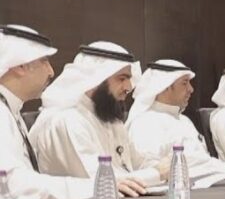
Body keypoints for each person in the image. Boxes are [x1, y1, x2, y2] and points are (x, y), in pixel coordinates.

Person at [0, 26, 145, 199]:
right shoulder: (65, 120)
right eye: (44, 61)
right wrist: (156, 174)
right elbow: (13, 184)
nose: (51, 72)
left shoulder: (11, 111)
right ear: (20, 65)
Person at [29, 42, 168, 186]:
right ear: (95, 78)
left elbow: (134, 161)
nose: (128, 87)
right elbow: (101, 182)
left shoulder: (109, 116)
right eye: (122, 79)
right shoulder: (66, 120)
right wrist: (156, 173)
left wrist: (164, 165)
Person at [126, 59, 225, 177]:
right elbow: (151, 169)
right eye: (184, 83)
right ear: (165, 86)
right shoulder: (144, 123)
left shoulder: (185, 121)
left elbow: (204, 160)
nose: (191, 89)